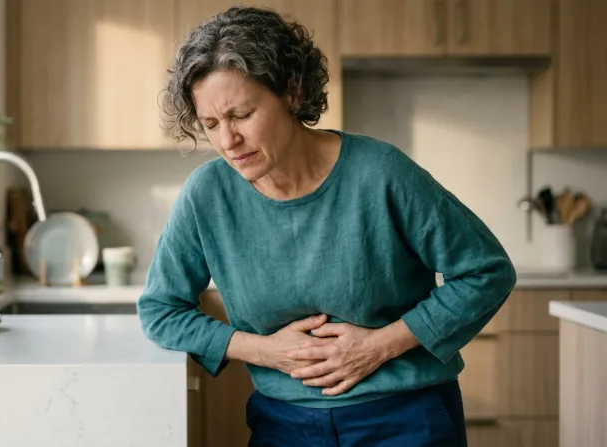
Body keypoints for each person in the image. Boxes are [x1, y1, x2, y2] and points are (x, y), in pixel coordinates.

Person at [137, 6, 516, 446]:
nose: (227, 141)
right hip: (282, 425)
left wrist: (380, 345)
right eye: (211, 124)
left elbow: (485, 271)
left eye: (241, 115)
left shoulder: (381, 173)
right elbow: (160, 310)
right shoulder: (207, 194)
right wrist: (263, 350)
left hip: (407, 419)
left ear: (292, 91)